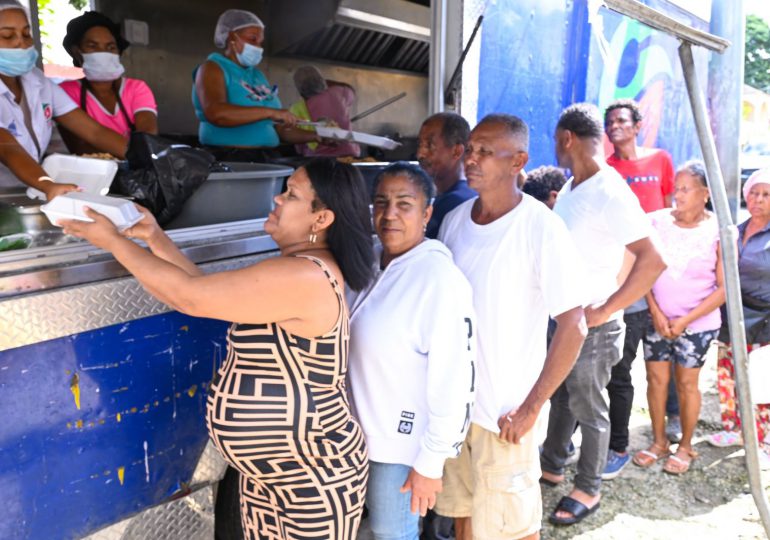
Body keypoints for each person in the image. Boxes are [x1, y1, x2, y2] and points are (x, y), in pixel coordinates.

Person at [59, 159, 375, 539]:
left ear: (321, 219)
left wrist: (113, 241)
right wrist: (154, 237)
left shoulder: (306, 276)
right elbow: (198, 293)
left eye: (291, 194)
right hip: (273, 473)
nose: (276, 198)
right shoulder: (296, 268)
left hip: (310, 479)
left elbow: (190, 297)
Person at [434, 114, 588, 540]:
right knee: (465, 518)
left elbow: (574, 325)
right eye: (471, 149)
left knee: (512, 529)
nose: (472, 158)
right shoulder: (456, 220)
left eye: (486, 151)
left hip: (504, 416)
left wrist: (531, 407)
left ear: (518, 160)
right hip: (457, 410)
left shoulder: (540, 228)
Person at [540, 103, 665, 526]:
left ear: (567, 139)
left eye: (555, 141)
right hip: (565, 320)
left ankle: (588, 488)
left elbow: (653, 260)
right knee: (561, 395)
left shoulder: (611, 191)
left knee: (589, 405)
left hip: (594, 327)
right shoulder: (576, 185)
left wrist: (607, 308)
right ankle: (553, 462)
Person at [347, 162, 475, 540]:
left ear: (427, 213)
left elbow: (455, 379)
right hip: (354, 438)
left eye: (405, 204)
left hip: (400, 448)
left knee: (393, 534)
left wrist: (431, 462)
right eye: (381, 202)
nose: (390, 214)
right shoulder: (370, 262)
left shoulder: (439, 280)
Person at [603, 98, 679, 481]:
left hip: (662, 269)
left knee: (669, 347)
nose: (615, 127)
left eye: (622, 120)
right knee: (626, 362)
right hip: (629, 274)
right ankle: (619, 441)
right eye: (610, 122)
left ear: (637, 125)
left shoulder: (660, 160)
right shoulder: (606, 170)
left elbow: (672, 211)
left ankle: (676, 418)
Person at [632, 160, 724, 474]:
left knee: (687, 384)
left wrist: (685, 320)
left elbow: (724, 289)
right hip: (657, 319)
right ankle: (659, 442)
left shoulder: (719, 230)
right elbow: (641, 269)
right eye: (676, 188)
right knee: (655, 380)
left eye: (686, 189)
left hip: (697, 324)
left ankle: (686, 446)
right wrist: (655, 311)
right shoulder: (656, 222)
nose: (677, 195)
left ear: (705, 194)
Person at [0, 1, 126, 198]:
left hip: (29, 191)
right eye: (7, 36)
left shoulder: (37, 81)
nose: (21, 43)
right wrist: (47, 185)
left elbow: (94, 131)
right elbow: (8, 148)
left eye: (26, 34)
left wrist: (145, 157)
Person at [192, 9, 318, 160]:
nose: (258, 47)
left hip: (266, 157)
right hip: (230, 157)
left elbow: (279, 130)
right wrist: (271, 112)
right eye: (253, 39)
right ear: (232, 36)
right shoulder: (212, 68)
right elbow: (216, 114)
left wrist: (316, 137)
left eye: (260, 42)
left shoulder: (257, 75)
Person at [707, 168, 770, 465]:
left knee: (760, 381)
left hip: (764, 320)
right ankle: (733, 428)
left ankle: (760, 438)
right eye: (754, 193)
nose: (758, 200)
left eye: (766, 195)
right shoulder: (737, 230)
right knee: (727, 374)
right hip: (731, 315)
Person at [59, 11, 157, 155]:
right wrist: (133, 152)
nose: (103, 52)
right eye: (93, 46)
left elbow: (147, 138)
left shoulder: (136, 89)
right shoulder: (65, 92)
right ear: (77, 52)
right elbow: (78, 146)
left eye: (110, 47)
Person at [416, 112, 476, 239]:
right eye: (420, 145)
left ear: (456, 151)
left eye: (430, 145)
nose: (420, 154)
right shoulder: (469, 193)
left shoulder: (453, 202)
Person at [289, 65, 360, 157]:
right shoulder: (341, 91)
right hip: (349, 153)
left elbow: (298, 142)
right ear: (322, 80)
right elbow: (350, 90)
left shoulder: (299, 107)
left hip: (319, 157)